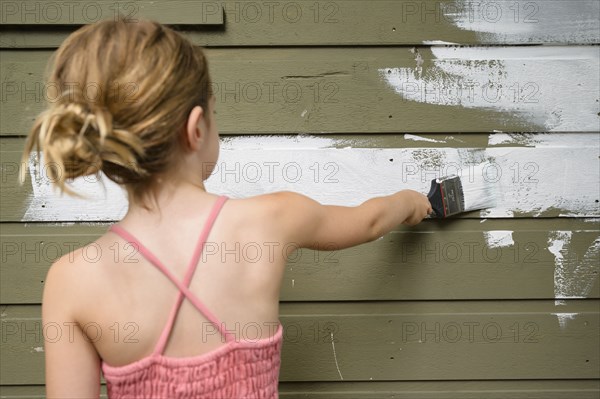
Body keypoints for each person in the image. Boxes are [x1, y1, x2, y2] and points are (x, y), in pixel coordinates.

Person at [23, 18, 432, 399]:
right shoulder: (271, 220)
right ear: (196, 127)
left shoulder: (71, 281)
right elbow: (370, 220)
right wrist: (410, 202)